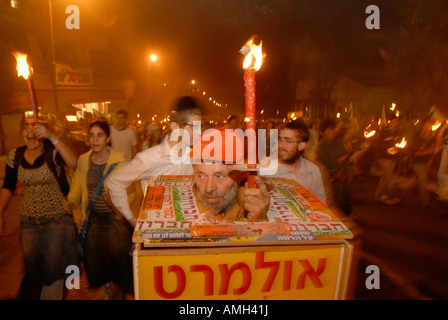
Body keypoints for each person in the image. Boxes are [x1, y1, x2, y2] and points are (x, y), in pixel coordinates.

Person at [0, 114, 78, 300]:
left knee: (55, 271)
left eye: (35, 126)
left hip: (57, 220)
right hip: (29, 223)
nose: (30, 130)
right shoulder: (15, 156)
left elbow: (73, 162)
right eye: (26, 126)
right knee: (35, 272)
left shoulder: (53, 152)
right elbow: (8, 186)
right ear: (21, 131)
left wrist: (52, 136)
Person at [107, 97, 203, 228]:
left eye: (200, 127)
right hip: (156, 230)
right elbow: (115, 181)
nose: (199, 132)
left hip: (187, 228)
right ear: (175, 126)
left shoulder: (194, 157)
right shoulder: (150, 158)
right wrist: (130, 218)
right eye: (194, 127)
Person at [66, 120, 133, 300]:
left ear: (108, 138)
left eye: (100, 135)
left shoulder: (119, 161)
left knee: (120, 263)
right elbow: (76, 187)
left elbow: (131, 192)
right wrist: (71, 201)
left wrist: (116, 201)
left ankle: (117, 291)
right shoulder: (83, 161)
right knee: (98, 262)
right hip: (93, 221)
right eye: (92, 135)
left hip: (115, 220)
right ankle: (109, 287)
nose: (95, 140)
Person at [191, 128, 271, 223]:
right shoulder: (186, 200)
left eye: (219, 176)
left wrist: (259, 221)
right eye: (201, 176)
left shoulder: (255, 204)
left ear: (241, 175)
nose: (209, 188)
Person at [268, 119, 326, 204]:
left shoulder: (314, 171)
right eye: (280, 140)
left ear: (301, 145)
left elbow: (321, 205)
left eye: (288, 141)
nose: (281, 145)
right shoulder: (270, 171)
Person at [316, 119, 352, 214]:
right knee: (333, 200)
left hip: (341, 175)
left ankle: (345, 214)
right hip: (329, 178)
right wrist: (338, 162)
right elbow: (328, 163)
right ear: (323, 133)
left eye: (332, 130)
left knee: (344, 196)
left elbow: (345, 157)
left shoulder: (338, 142)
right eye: (328, 131)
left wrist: (341, 168)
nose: (331, 133)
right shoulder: (321, 147)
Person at [405, 119, 437, 207]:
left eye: (429, 126)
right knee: (422, 179)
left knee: (420, 179)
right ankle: (425, 201)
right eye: (426, 126)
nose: (428, 128)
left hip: (426, 163)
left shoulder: (432, 137)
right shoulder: (417, 137)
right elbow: (414, 153)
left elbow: (433, 150)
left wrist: (430, 161)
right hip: (417, 163)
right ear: (422, 126)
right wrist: (427, 151)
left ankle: (407, 189)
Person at [374, 112, 404, 205]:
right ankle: (388, 196)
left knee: (385, 177)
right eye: (393, 121)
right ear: (390, 122)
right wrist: (386, 150)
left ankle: (378, 196)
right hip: (383, 158)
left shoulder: (398, 132)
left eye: (396, 121)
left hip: (392, 158)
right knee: (389, 178)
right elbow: (378, 145)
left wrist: (398, 149)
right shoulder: (384, 132)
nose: (394, 123)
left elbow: (399, 144)